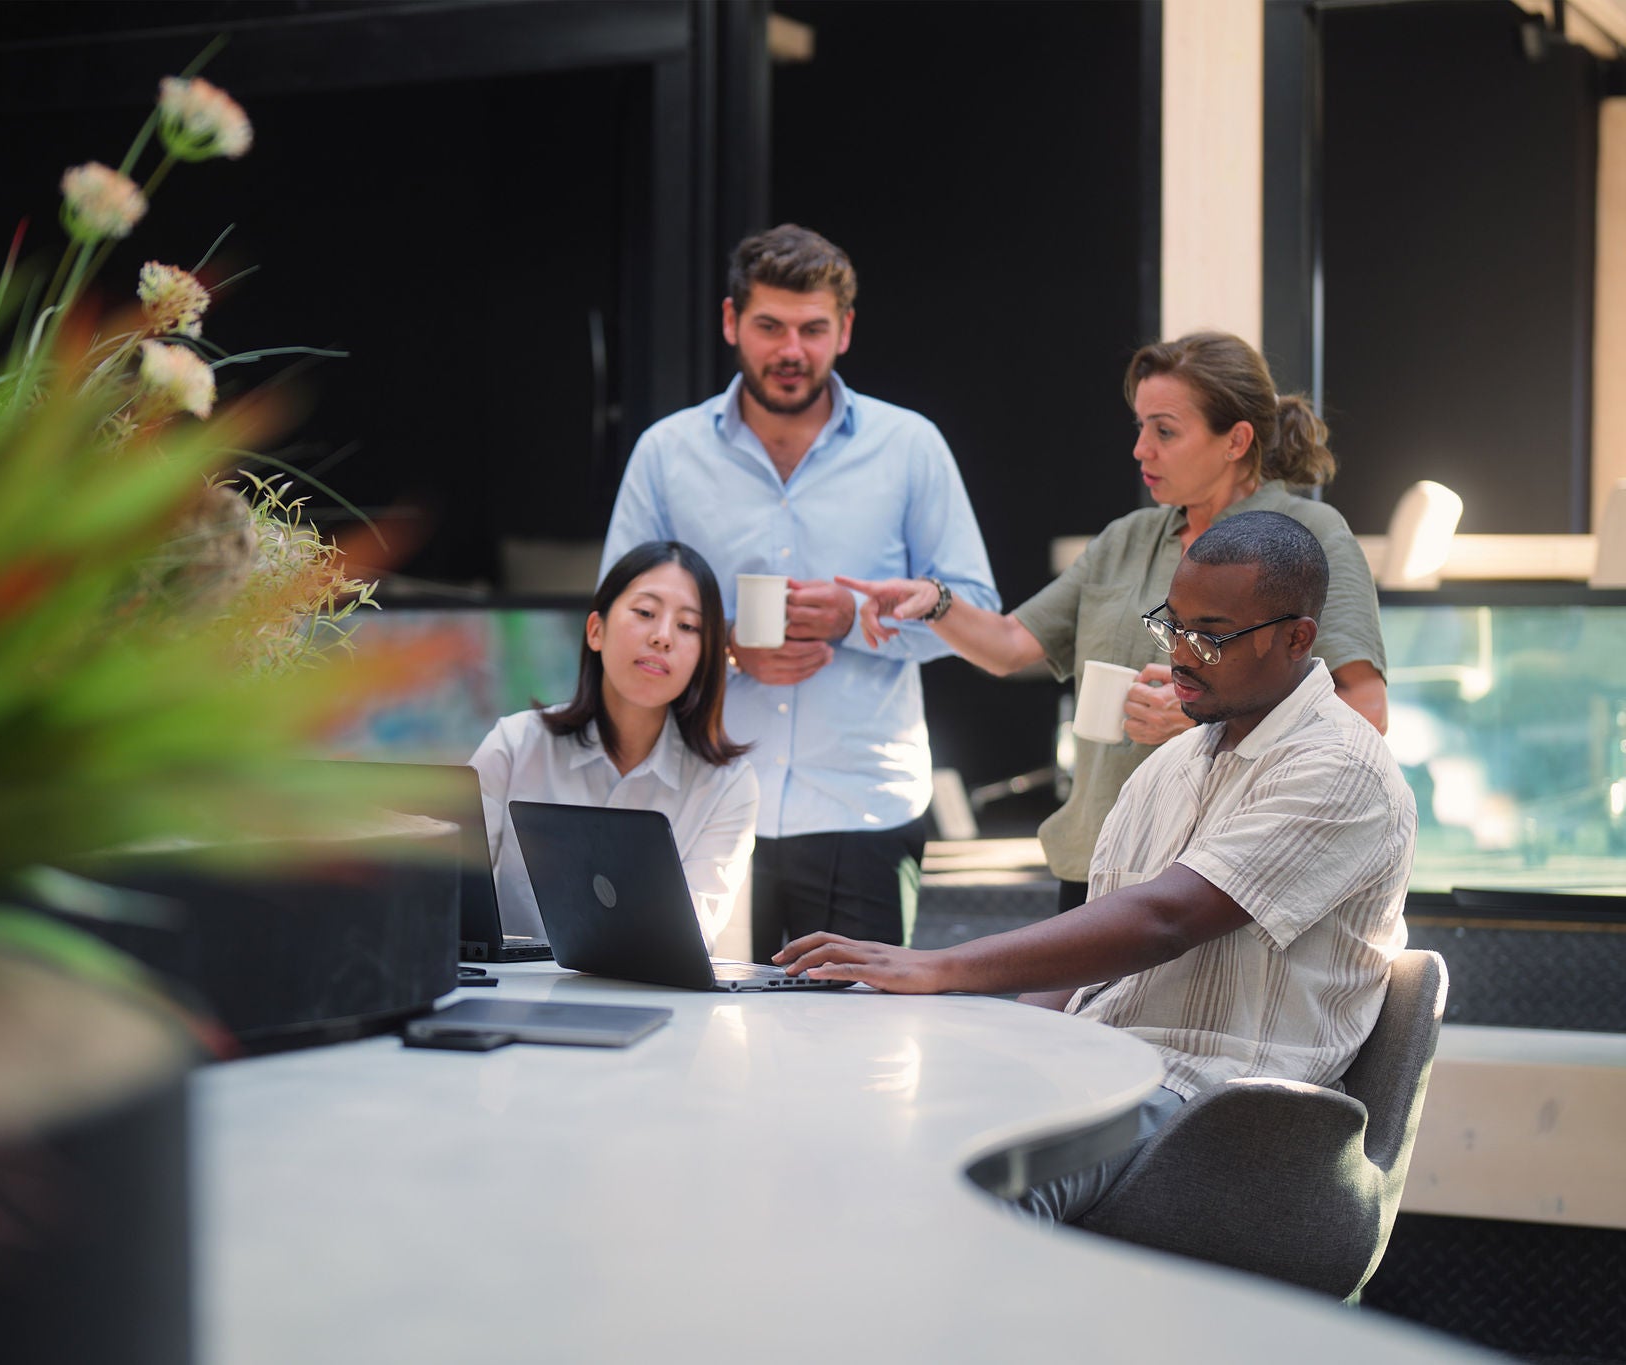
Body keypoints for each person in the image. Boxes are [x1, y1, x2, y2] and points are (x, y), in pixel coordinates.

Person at [777, 512, 1417, 1223]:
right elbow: (1080, 967)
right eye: (1170, 625)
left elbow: (1163, 920)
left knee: (974, 1186)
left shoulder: (1343, 766)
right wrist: (999, 1048)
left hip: (1222, 1106)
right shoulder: (1171, 763)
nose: (1180, 653)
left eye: (1209, 635)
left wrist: (940, 967)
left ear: (1297, 638)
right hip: (1107, 1068)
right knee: (882, 1124)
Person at [835, 330, 1387, 915]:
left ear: (1236, 440)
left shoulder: (1312, 534)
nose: (1141, 449)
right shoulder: (1127, 538)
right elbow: (1008, 645)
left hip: (1218, 869)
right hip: (1099, 861)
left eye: (1165, 431)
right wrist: (933, 601)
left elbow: (1366, 711)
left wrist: (1205, 720)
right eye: (1140, 427)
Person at [600, 224, 999, 963]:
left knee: (857, 1055)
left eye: (813, 329)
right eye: (770, 327)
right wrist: (725, 649)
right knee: (700, 1046)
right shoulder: (667, 452)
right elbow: (617, 620)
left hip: (862, 801)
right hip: (701, 793)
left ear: (845, 330)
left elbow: (976, 608)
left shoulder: (910, 447)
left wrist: (855, 617)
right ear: (730, 323)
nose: (792, 350)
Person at [470, 540, 756, 949]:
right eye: (644, 613)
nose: (662, 637)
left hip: (657, 1004)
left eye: (687, 626)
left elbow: (688, 941)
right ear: (595, 630)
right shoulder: (514, 746)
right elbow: (451, 898)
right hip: (518, 998)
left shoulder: (729, 785)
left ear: (703, 657)